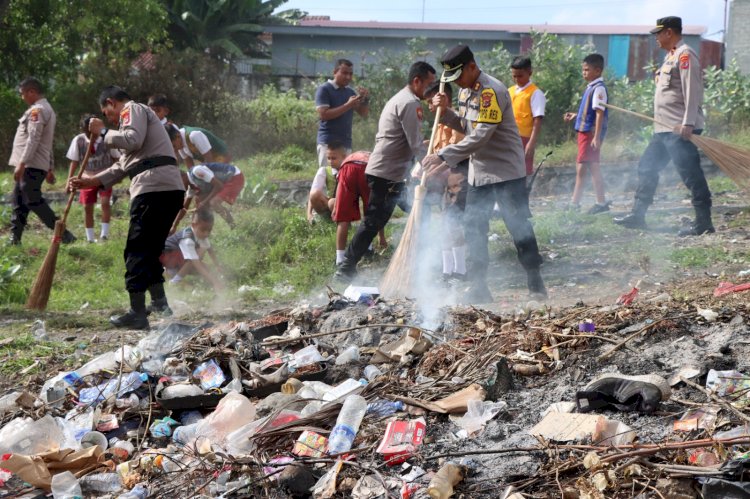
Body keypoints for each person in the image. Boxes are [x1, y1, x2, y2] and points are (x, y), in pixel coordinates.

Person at [424, 44, 546, 302]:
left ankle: (535, 280)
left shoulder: (492, 91)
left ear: (471, 66)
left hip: (505, 172)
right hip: (479, 173)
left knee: (518, 226)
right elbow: (466, 127)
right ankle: (479, 285)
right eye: (452, 78)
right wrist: (445, 113)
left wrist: (444, 156)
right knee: (473, 227)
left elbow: (481, 136)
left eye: (458, 76)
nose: (455, 82)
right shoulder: (465, 93)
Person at [69, 86, 185, 329]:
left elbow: (132, 140)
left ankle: (137, 312)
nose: (109, 118)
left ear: (111, 102)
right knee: (150, 249)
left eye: (106, 112)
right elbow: (122, 166)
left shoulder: (132, 110)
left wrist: (102, 132)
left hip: (153, 188)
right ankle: (161, 304)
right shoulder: (135, 123)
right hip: (167, 188)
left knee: (135, 249)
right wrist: (90, 181)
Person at [334, 61, 436, 281]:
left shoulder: (403, 98)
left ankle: (424, 262)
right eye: (429, 84)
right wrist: (432, 166)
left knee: (419, 212)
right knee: (373, 221)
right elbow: (415, 144)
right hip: (387, 173)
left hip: (393, 173)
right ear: (417, 81)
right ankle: (345, 268)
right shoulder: (409, 103)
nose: (431, 89)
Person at [613, 16, 713, 236]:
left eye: (658, 33)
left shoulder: (685, 55)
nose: (656, 37)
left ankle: (704, 222)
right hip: (663, 129)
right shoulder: (670, 57)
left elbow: (692, 91)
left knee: (690, 173)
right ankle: (638, 215)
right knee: (647, 167)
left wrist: (688, 123)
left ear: (669, 32)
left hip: (679, 129)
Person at [8, 77, 76, 245]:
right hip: (32, 163)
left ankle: (64, 233)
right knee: (18, 200)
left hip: (31, 165)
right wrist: (50, 167)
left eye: (22, 94)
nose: (22, 97)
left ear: (31, 92)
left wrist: (22, 163)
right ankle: (14, 238)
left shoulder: (37, 110)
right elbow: (47, 142)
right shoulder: (43, 109)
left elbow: (34, 139)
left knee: (31, 198)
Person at [416, 81, 468, 284]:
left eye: (432, 102)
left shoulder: (455, 120)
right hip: (444, 180)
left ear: (443, 98)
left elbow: (454, 153)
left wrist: (432, 171)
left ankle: (460, 271)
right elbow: (438, 149)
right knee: (445, 225)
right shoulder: (439, 123)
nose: (430, 107)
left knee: (453, 223)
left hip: (457, 177)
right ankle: (448, 271)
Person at [168, 127, 244, 230]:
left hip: (232, 175)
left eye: (173, 145)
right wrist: (174, 226)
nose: (174, 150)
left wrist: (204, 201)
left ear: (177, 137)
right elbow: (184, 208)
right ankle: (204, 231)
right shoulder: (191, 183)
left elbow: (209, 165)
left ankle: (233, 227)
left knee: (211, 202)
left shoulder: (193, 136)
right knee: (202, 202)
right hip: (212, 175)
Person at [563, 53, 610, 214]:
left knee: (585, 168)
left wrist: (596, 136)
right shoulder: (591, 87)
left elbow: (599, 114)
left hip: (589, 135)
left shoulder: (599, 89)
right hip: (585, 132)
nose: (584, 73)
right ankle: (599, 203)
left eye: (586, 70)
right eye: (583, 70)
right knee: (589, 167)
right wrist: (576, 115)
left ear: (597, 70)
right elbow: (589, 112)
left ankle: (576, 204)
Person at [66, 115, 121, 243]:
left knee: (105, 202)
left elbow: (116, 158)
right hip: (86, 178)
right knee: (87, 207)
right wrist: (69, 181)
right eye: (87, 130)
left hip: (104, 176)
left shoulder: (106, 139)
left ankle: (104, 235)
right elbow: (74, 161)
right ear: (84, 129)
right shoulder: (78, 140)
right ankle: (90, 238)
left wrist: (116, 176)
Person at [332, 151, 387, 265]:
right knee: (372, 212)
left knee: (343, 219)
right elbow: (377, 206)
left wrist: (337, 207)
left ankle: (340, 259)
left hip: (348, 169)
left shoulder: (347, 160)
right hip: (368, 169)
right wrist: (381, 237)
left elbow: (338, 189)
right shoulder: (379, 159)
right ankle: (368, 249)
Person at [315, 59, 370, 166]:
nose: (348, 77)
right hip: (328, 144)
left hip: (345, 144)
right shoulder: (324, 89)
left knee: (344, 179)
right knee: (329, 177)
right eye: (344, 73)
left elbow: (363, 113)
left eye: (350, 74)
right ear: (335, 72)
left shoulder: (350, 91)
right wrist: (348, 105)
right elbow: (324, 115)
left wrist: (365, 99)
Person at [161, 209, 223, 292]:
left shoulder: (201, 235)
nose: (206, 234)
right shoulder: (187, 240)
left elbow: (209, 249)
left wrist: (218, 265)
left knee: (204, 267)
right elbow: (195, 262)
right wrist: (214, 281)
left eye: (209, 230)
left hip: (178, 256)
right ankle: (174, 282)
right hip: (166, 255)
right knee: (194, 261)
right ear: (193, 225)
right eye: (203, 230)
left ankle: (173, 271)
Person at [509, 56, 546, 177]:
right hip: (509, 137)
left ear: (530, 72)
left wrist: (531, 143)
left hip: (524, 139)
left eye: (520, 76)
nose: (517, 79)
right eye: (514, 76)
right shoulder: (509, 91)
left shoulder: (535, 93)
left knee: (523, 172)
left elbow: (537, 120)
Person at [307, 142, 347, 223]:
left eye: (334, 158)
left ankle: (343, 222)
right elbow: (312, 193)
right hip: (330, 203)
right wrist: (309, 214)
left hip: (345, 204)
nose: (330, 161)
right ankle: (326, 218)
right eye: (328, 158)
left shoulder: (348, 170)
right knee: (315, 194)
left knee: (333, 202)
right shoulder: (324, 170)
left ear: (343, 157)